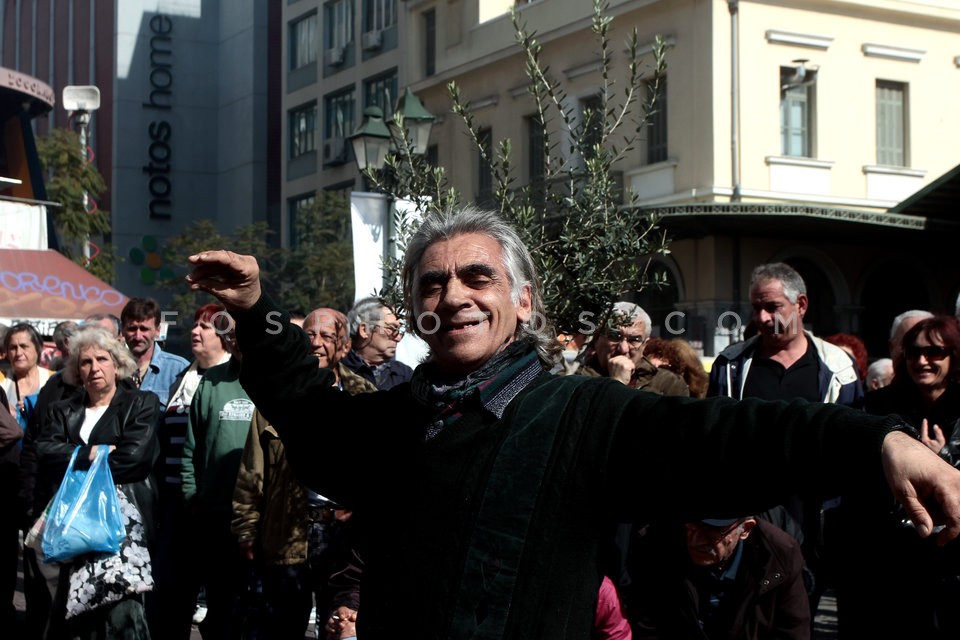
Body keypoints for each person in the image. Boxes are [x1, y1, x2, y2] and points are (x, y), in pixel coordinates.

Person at [186, 206, 960, 640]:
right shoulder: (398, 420)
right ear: (418, 312)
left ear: (522, 301)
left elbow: (726, 437)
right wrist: (256, 314)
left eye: (477, 276)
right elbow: (318, 425)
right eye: (434, 281)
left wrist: (876, 440)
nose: (454, 292)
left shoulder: (582, 414)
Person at [706, 262, 863, 619]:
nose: (761, 317)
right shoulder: (731, 365)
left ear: (801, 305)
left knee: (800, 614)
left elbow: (853, 447)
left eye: (772, 307)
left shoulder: (838, 368)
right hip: (750, 520)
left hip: (813, 521)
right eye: (755, 307)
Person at [232, 307, 376, 639]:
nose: (317, 342)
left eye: (327, 335)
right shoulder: (277, 400)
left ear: (344, 345)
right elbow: (252, 471)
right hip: (287, 531)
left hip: (344, 535)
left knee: (338, 622)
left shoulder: (364, 396)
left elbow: (376, 469)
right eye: (309, 334)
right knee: (281, 626)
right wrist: (246, 530)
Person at [34, 326, 160, 638]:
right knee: (73, 608)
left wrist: (72, 458)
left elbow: (133, 459)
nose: (94, 368)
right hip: (72, 523)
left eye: (101, 359)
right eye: (85, 362)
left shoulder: (140, 403)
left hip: (120, 524)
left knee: (122, 612)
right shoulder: (61, 410)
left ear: (116, 364)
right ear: (77, 370)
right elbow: (45, 452)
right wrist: (94, 452)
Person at [842, 314, 960, 638]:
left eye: (934, 352)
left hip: (952, 565)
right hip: (890, 563)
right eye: (913, 352)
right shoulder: (879, 407)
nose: (922, 360)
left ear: (954, 355)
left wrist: (944, 459)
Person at [149, 303, 233, 640]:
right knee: (172, 598)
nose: (195, 331)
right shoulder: (185, 376)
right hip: (173, 504)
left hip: (213, 509)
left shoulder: (234, 378)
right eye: (195, 324)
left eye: (205, 326)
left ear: (225, 335)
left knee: (220, 600)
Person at [181, 313, 253, 640]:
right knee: (219, 604)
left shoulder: (272, 379)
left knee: (254, 607)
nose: (236, 340)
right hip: (214, 514)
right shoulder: (210, 381)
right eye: (232, 335)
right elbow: (191, 447)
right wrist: (191, 497)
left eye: (242, 333)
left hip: (261, 517)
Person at [626, 516, 809, 639]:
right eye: (691, 528)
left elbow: (792, 631)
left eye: (710, 533)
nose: (696, 541)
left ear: (745, 529)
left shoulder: (779, 558)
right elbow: (646, 626)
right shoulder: (656, 546)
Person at [575, 301, 689, 396]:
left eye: (634, 340)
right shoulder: (574, 379)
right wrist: (617, 384)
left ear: (644, 345)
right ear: (597, 339)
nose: (623, 349)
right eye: (615, 337)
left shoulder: (669, 384)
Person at [121, 297, 189, 409]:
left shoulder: (179, 370)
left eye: (144, 329)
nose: (138, 336)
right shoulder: (112, 368)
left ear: (157, 331)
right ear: (123, 330)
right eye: (132, 329)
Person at [342, 296, 413, 390]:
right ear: (364, 330)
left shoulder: (404, 374)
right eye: (392, 328)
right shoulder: (337, 368)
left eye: (399, 331)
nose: (398, 338)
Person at [1, 323, 53, 430]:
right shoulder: (1, 379)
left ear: (38, 348)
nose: (18, 353)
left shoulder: (53, 380)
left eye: (24, 346)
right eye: (13, 348)